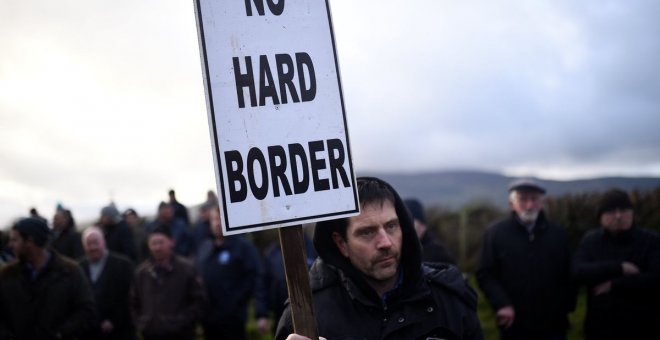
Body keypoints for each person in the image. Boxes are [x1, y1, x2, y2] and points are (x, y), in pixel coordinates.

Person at [276, 177, 483, 340]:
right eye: (367, 232)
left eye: (391, 226)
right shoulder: (306, 315)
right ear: (341, 244)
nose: (385, 242)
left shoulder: (449, 299)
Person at [477, 179, 575, 340]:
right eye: (523, 199)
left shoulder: (558, 233)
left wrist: (566, 308)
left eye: (534, 199)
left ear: (541, 203)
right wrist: (502, 304)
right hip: (514, 323)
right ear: (512, 204)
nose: (529, 205)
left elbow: (569, 273)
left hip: (553, 324)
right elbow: (485, 274)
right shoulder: (495, 234)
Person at [572, 189, 660, 340]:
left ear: (632, 213)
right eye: (611, 211)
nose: (618, 216)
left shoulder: (651, 240)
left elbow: (656, 277)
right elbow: (577, 271)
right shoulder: (591, 241)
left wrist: (615, 284)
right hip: (600, 327)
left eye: (624, 210)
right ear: (601, 216)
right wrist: (619, 267)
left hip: (642, 326)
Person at [0, 217, 95, 339]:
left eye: (15, 240)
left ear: (30, 241)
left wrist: (61, 333)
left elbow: (86, 310)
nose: (10, 245)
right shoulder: (7, 275)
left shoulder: (70, 271)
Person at [196, 206, 262, 340]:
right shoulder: (205, 246)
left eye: (221, 219)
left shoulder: (243, 247)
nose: (217, 223)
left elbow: (254, 277)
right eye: (214, 219)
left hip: (233, 319)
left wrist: (236, 300)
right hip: (209, 319)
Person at [132, 225, 207, 340]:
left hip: (181, 335)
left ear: (172, 242)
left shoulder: (187, 269)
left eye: (161, 242)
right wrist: (143, 323)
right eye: (153, 243)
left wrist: (180, 322)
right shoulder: (142, 273)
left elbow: (199, 302)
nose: (157, 248)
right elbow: (134, 303)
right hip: (151, 335)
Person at [255, 229, 317, 336]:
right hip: (280, 316)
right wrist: (262, 314)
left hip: (312, 316)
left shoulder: (313, 249)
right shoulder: (271, 254)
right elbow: (262, 285)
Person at [79, 227, 136, 340]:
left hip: (120, 332)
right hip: (90, 332)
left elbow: (131, 297)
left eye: (96, 242)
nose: (93, 247)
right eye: (89, 244)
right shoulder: (79, 267)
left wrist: (114, 321)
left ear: (103, 242)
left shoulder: (123, 264)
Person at [404, 198, 456, 264]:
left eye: (410, 221)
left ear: (421, 223)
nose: (406, 226)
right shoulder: (410, 250)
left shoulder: (438, 253)